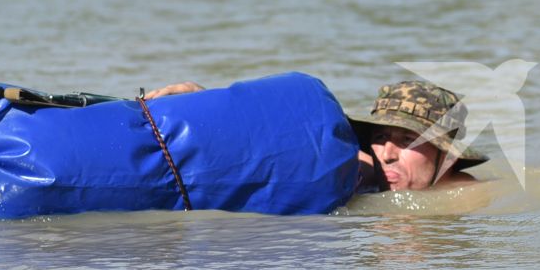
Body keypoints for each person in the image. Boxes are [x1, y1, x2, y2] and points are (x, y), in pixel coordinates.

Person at [147, 78, 486, 193]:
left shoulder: (471, 197)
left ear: (450, 157)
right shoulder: (353, 174)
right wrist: (209, 104)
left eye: (408, 140)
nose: (388, 153)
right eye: (381, 136)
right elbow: (274, 142)